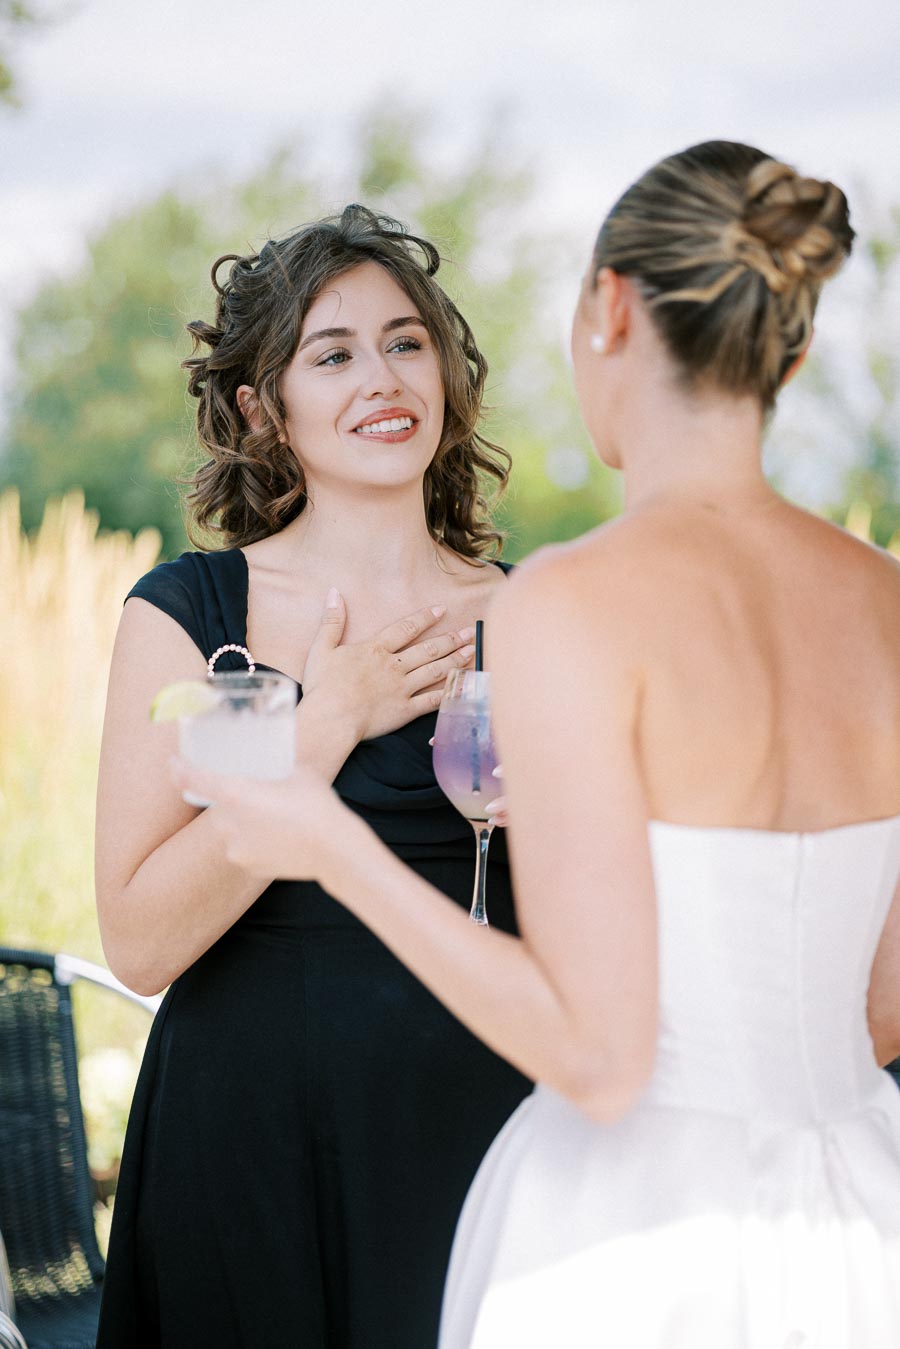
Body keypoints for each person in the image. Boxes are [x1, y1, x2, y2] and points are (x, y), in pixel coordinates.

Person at [177, 141, 900, 1348]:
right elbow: (878, 1014)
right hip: (859, 1220)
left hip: (631, 1239)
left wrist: (332, 843)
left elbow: (603, 1063)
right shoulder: (886, 602)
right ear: (795, 343)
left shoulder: (567, 602)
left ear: (607, 308)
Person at [94, 205, 531, 1349]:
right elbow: (140, 940)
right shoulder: (190, 614)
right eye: (331, 354)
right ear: (261, 408)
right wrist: (324, 723)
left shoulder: (543, 616)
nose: (381, 378)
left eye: (405, 340)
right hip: (249, 1146)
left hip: (491, 1131)